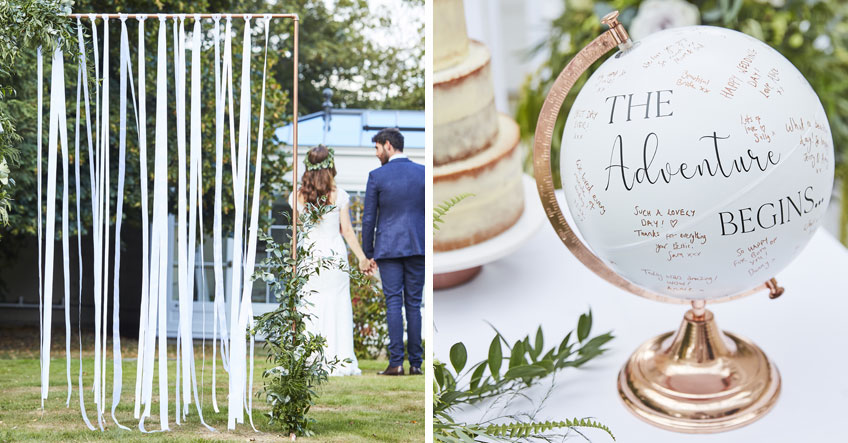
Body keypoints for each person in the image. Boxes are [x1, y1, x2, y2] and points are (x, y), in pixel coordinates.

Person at [289, 145, 366, 376]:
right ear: (330, 166)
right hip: (334, 256)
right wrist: (362, 258)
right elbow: (348, 232)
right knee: (337, 304)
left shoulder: (297, 196)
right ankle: (339, 358)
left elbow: (297, 232)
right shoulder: (339, 195)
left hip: (310, 255)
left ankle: (310, 357)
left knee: (309, 304)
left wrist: (292, 261)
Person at [361, 128, 425, 376]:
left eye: (377, 148)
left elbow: (368, 219)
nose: (377, 154)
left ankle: (396, 363)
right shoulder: (422, 173)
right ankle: (417, 364)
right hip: (418, 246)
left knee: (394, 302)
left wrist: (368, 252)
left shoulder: (377, 176)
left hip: (388, 248)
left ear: (388, 145)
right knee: (414, 304)